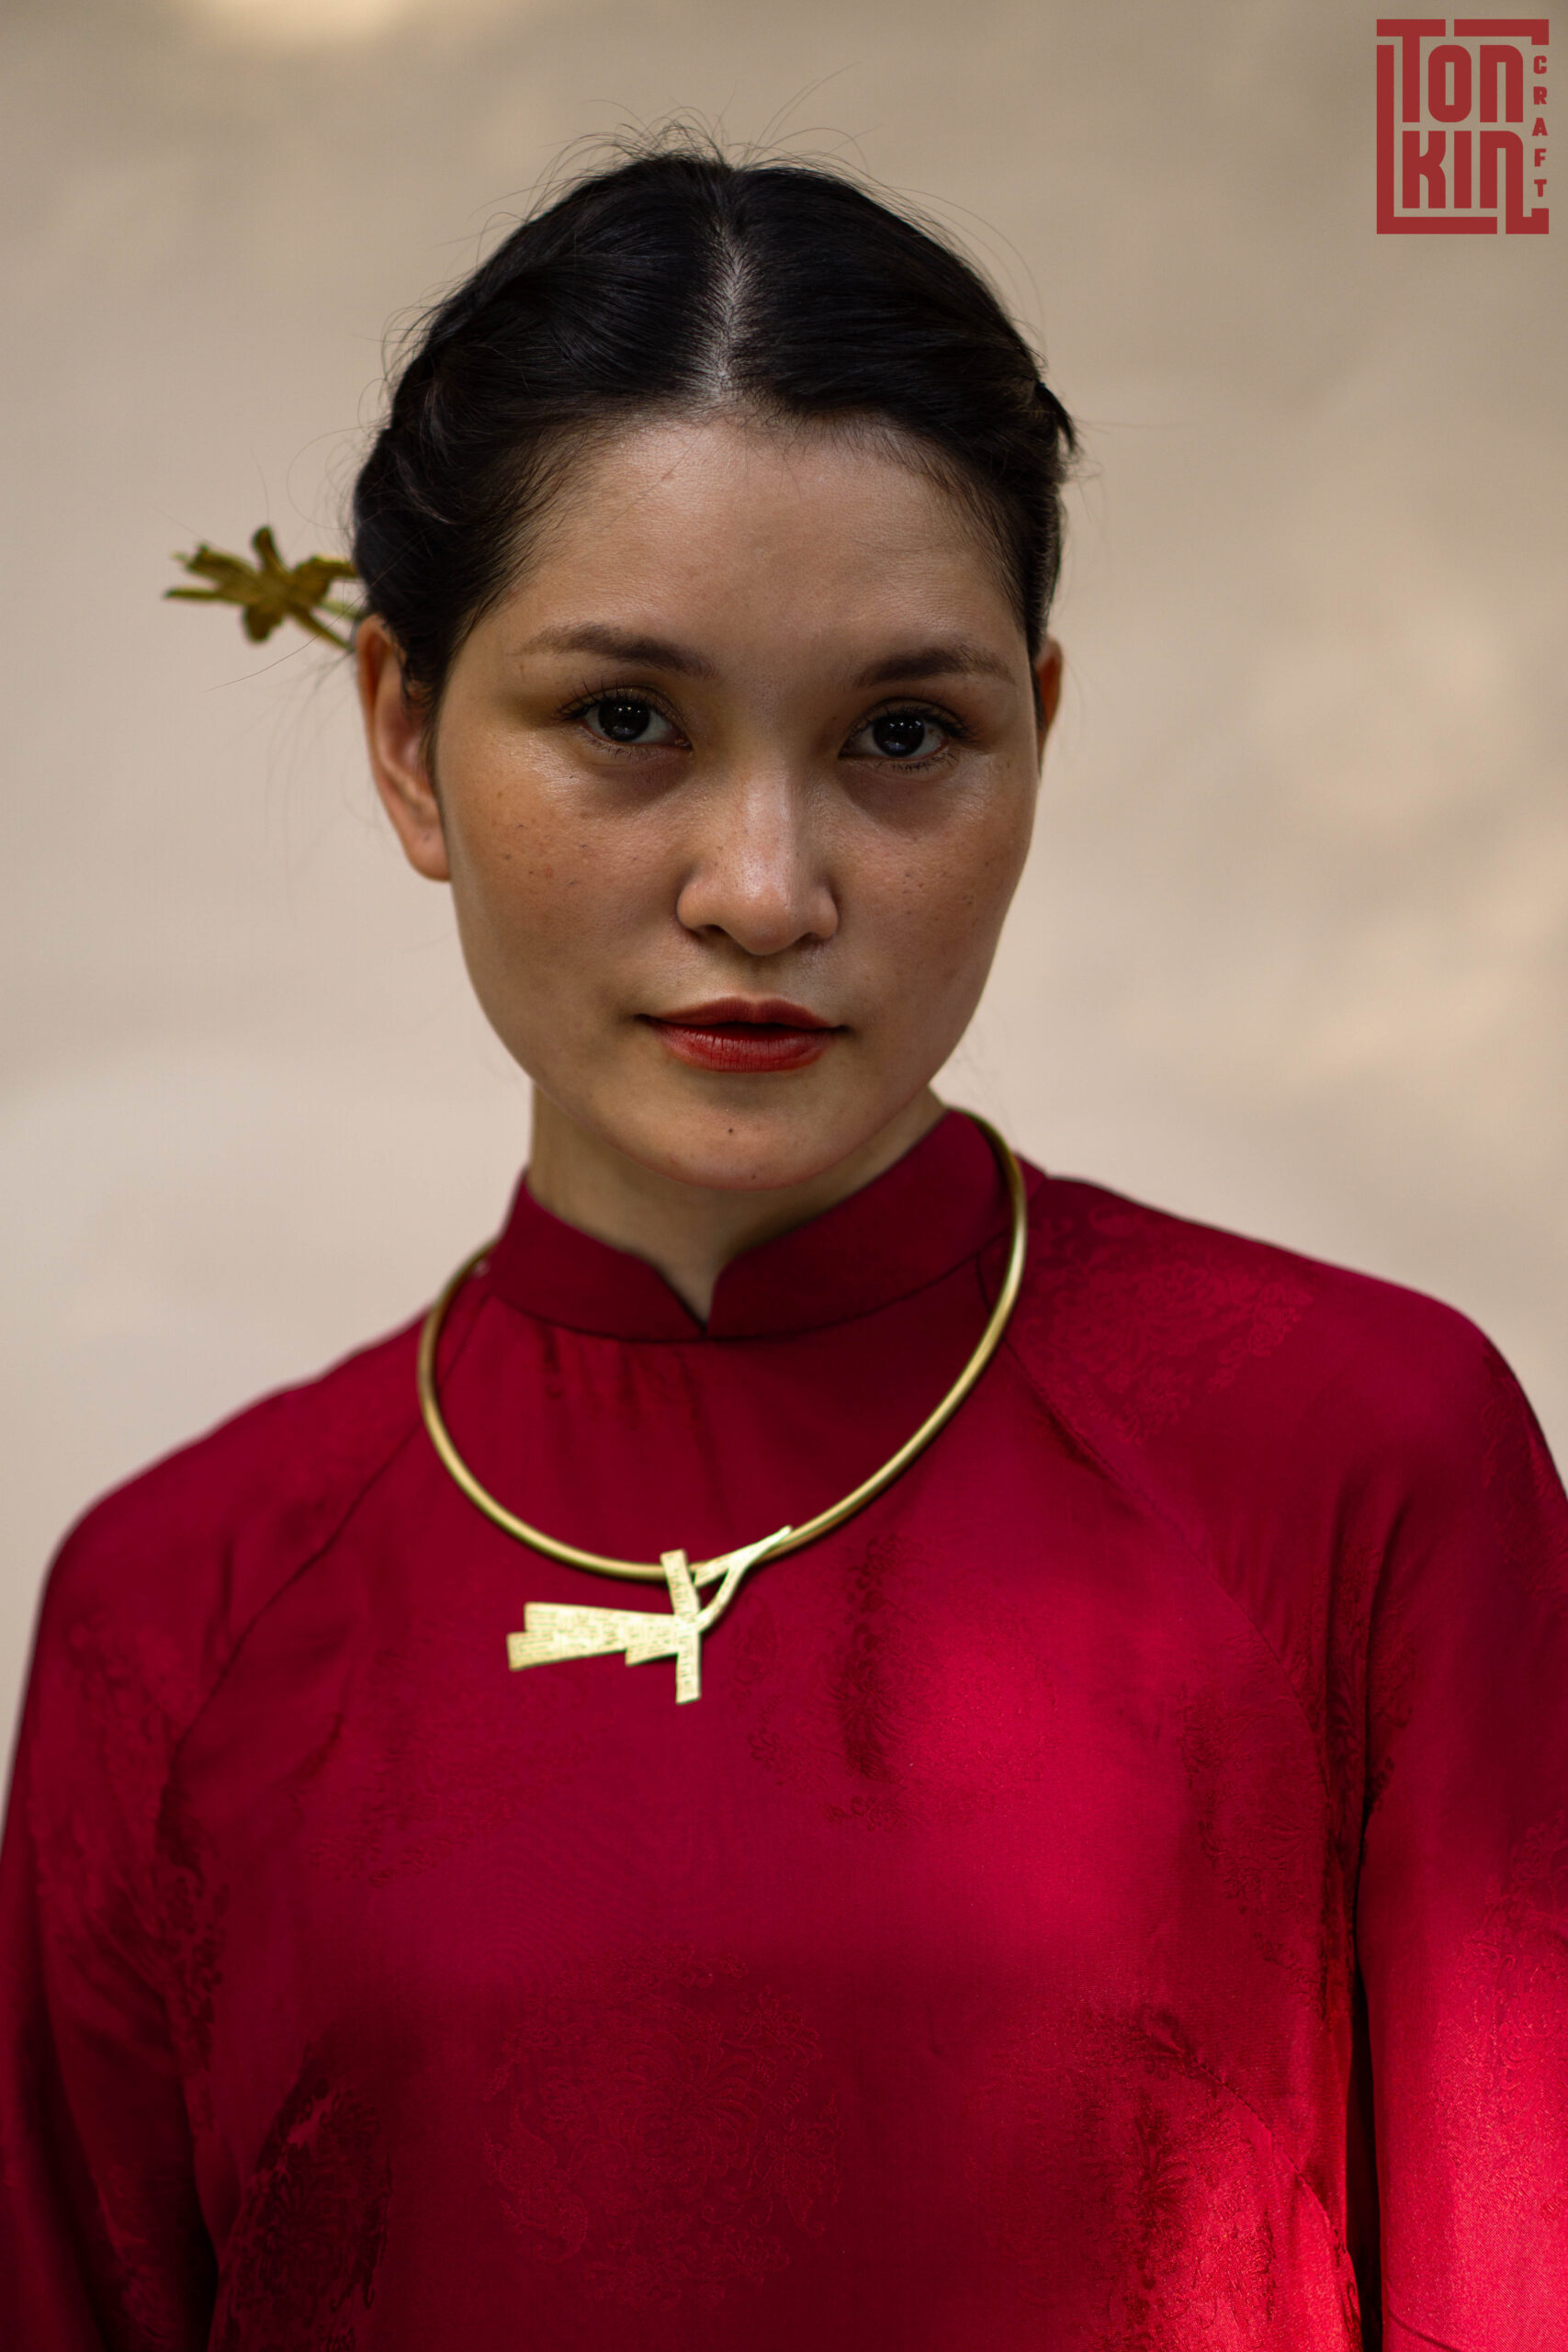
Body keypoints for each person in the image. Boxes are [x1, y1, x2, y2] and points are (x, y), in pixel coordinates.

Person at [1, 142, 1564, 2352]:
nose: (762, 885)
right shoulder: (177, 1612)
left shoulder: (1358, 1467)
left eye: (899, 734)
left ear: (1036, 737)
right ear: (404, 737)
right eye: (624, 719)